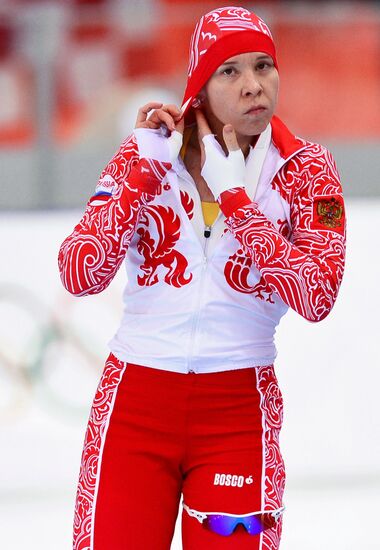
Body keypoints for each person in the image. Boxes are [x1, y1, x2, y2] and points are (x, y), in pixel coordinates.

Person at [58, 6, 346, 550]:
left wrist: (238, 201)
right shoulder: (149, 156)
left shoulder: (308, 171)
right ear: (199, 84)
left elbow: (318, 295)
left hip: (237, 416)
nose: (253, 85)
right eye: (230, 71)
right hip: (134, 411)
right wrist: (138, 172)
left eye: (264, 65)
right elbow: (79, 273)